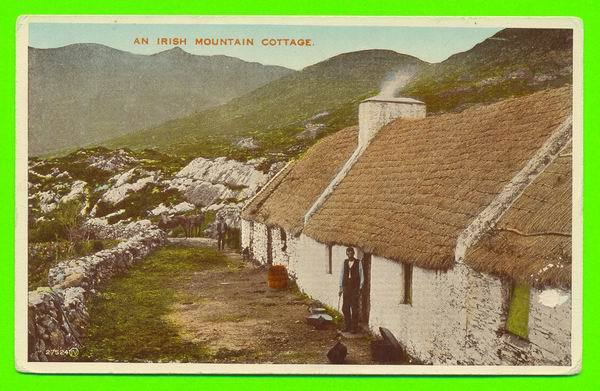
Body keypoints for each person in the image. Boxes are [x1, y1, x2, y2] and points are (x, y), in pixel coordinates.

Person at [338, 247, 364, 333]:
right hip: (346, 288)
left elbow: (362, 275)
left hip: (354, 288)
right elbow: (341, 274)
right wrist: (341, 287)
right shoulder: (344, 262)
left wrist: (360, 288)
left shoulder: (358, 262)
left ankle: (354, 328)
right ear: (346, 254)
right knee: (345, 308)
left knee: (354, 308)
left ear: (353, 253)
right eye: (348, 254)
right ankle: (347, 326)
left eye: (351, 253)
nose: (350, 255)